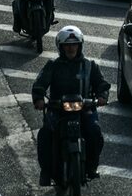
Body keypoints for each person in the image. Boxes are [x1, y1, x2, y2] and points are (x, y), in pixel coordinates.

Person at [32, 27, 111, 186]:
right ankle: (46, 172)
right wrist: (39, 99)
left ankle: (91, 167)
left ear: (80, 45)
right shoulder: (53, 65)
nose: (71, 48)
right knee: (45, 135)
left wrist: (102, 97)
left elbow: (102, 85)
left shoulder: (90, 66)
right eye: (67, 45)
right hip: (57, 110)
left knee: (95, 132)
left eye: (74, 44)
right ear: (60, 47)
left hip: (85, 110)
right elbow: (39, 84)